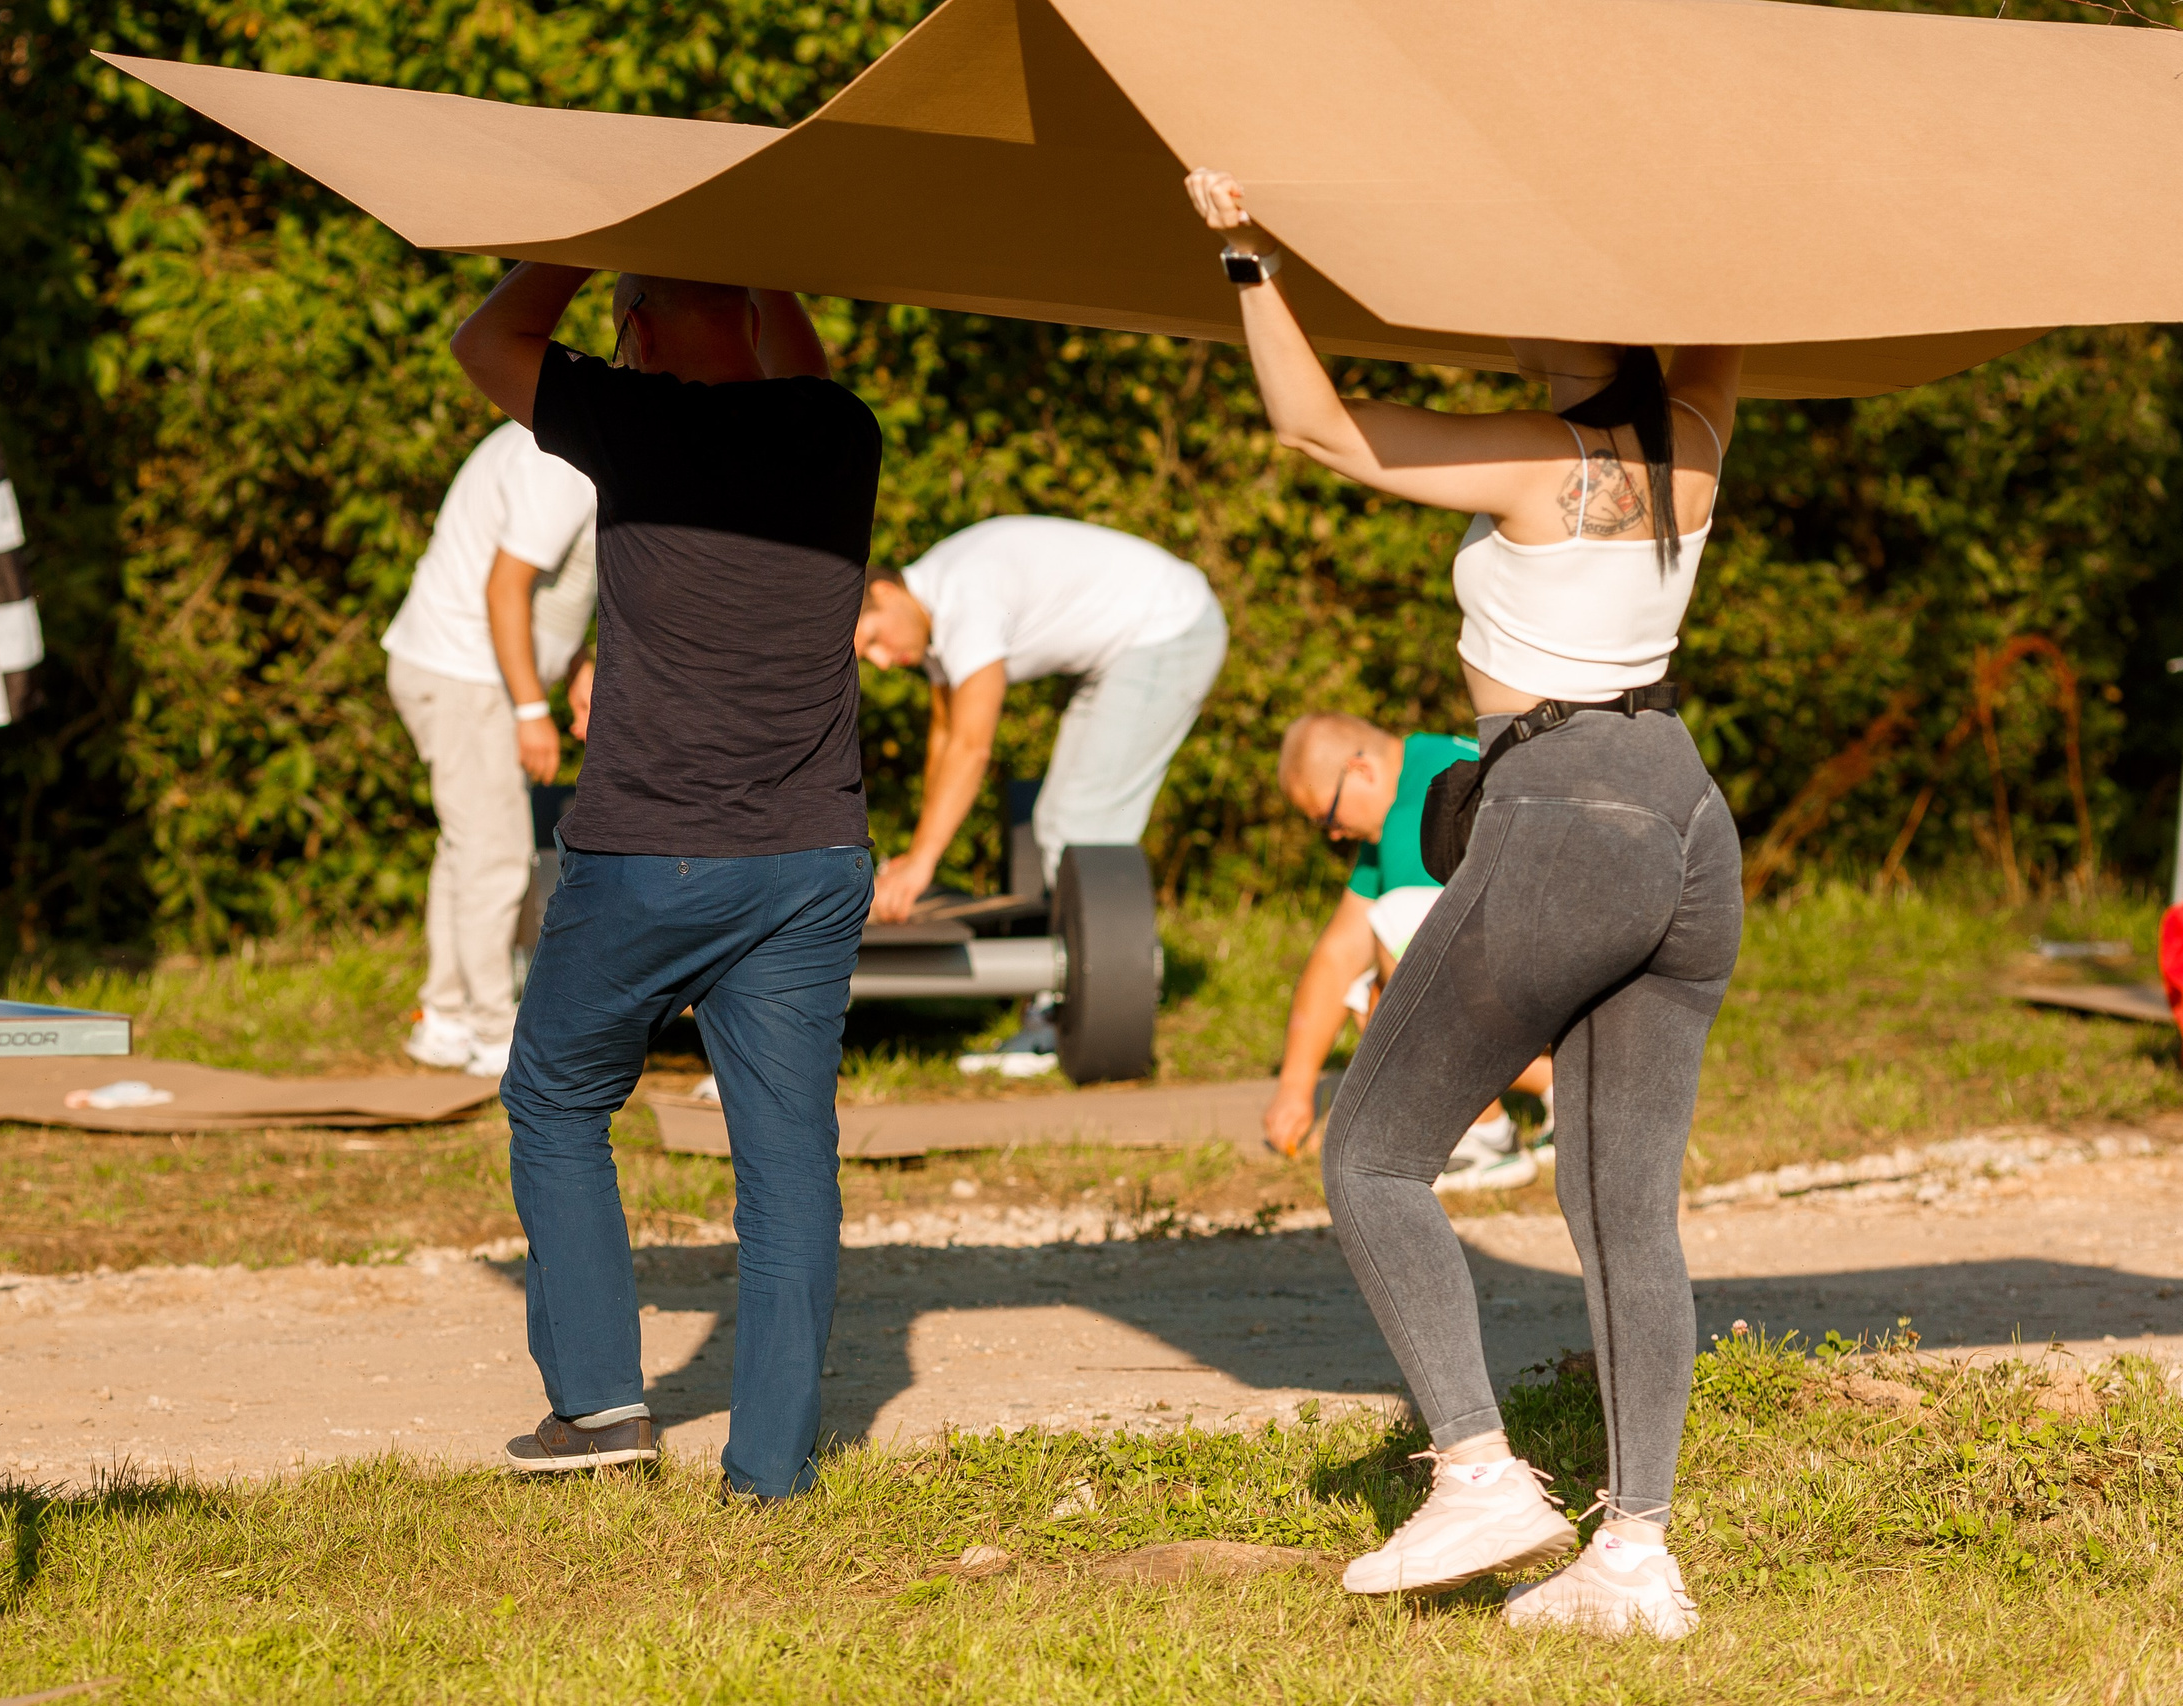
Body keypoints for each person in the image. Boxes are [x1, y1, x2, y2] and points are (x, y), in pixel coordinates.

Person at [1187, 167, 1743, 1639]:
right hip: (1688, 808)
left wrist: (1248, 255)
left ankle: (1483, 1472)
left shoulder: (1538, 461)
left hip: (1565, 806)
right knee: (1624, 1207)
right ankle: (1635, 1551)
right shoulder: (1694, 435)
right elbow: (1738, 295)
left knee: (1370, 1152)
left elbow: (1314, 426)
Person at [451, 266, 881, 1499]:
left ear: (632, 329)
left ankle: (598, 1409)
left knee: (556, 1096)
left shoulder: (635, 419)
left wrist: (575, 245)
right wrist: (756, 256)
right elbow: (798, 361)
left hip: (655, 852)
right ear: (752, 309)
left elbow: (487, 338)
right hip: (811, 858)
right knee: (788, 1162)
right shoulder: (838, 430)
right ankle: (772, 1468)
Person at [854, 515, 1226, 922]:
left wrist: (923, 862)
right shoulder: (936, 604)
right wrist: (916, 854)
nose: (883, 662)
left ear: (886, 592)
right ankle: (1073, 968)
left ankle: (1095, 977)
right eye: (868, 657)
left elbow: (971, 746)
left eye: (873, 639)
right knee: (1055, 820)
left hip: (1170, 626)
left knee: (1079, 823)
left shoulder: (964, 598)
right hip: (1131, 647)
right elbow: (944, 736)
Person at [381, 421, 601, 1079]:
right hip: (468, 677)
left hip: (457, 669)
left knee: (466, 847)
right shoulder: (559, 457)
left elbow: (547, 595)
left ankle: (444, 1019)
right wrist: (531, 709)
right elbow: (505, 587)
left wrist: (573, 667)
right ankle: (494, 1033)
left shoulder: (560, 447)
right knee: (497, 856)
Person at [1265, 713, 1550, 1188]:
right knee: (1382, 960)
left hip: (1561, 953)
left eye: (1328, 817)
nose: (1333, 835)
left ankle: (1484, 1139)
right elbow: (1338, 952)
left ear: (1359, 771)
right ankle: (1566, 1093)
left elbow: (1399, 952)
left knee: (1385, 982)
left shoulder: (1419, 807)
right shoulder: (1433, 760)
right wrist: (1295, 1089)